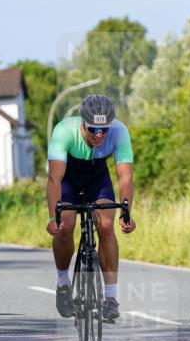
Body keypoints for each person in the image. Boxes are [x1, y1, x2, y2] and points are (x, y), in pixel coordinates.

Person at [46, 94, 136, 322]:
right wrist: (52, 217)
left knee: (106, 226)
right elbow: (55, 179)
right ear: (82, 123)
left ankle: (111, 297)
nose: (99, 135)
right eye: (93, 129)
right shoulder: (64, 131)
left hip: (98, 179)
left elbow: (125, 178)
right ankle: (63, 282)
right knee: (65, 227)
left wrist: (126, 212)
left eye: (104, 129)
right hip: (68, 179)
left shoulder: (119, 131)